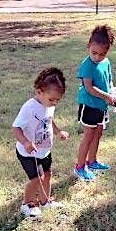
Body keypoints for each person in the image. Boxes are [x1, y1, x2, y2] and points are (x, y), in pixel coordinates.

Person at [12, 67, 69, 219]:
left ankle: (45, 202)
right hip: (28, 153)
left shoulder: (48, 105)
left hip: (44, 150)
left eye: (58, 100)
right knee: (37, 179)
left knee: (48, 175)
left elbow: (49, 120)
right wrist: (25, 142)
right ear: (39, 92)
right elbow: (16, 127)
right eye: (52, 99)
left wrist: (58, 132)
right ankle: (28, 203)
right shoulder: (29, 108)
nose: (54, 103)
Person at [74, 25, 116, 181]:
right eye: (94, 53)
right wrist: (106, 96)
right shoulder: (87, 65)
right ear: (88, 46)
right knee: (89, 136)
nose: (98, 57)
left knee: (98, 133)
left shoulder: (105, 62)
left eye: (102, 54)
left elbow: (109, 79)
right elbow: (89, 88)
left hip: (102, 105)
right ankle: (79, 167)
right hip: (90, 105)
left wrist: (112, 93)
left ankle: (92, 162)